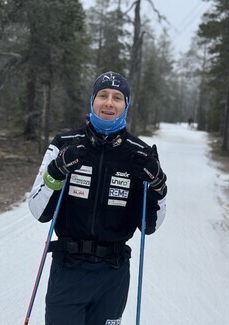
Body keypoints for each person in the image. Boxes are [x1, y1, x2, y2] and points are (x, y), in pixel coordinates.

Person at [28, 71, 167, 325]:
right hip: (68, 270)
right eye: (102, 95)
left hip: (112, 276)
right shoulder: (65, 144)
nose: (109, 103)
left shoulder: (140, 154)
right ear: (92, 101)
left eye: (117, 97)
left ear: (126, 105)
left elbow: (150, 226)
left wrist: (157, 185)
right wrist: (57, 171)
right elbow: (39, 211)